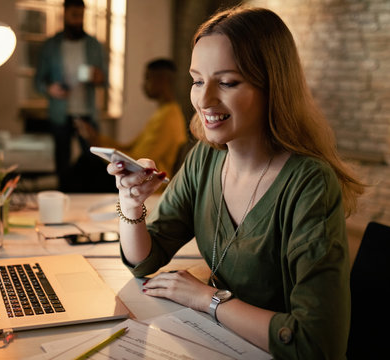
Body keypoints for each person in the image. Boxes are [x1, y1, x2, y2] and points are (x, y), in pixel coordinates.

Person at [107, 6, 364, 359]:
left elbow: (317, 343)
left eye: (227, 82)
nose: (204, 99)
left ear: (273, 85)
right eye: (197, 80)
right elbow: (145, 260)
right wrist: (132, 202)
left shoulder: (310, 185)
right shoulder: (205, 158)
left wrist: (206, 298)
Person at [69, 58, 188, 192]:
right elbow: (130, 148)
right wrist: (96, 139)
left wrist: (96, 141)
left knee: (86, 164)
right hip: (139, 177)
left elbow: (138, 162)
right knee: (87, 161)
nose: (143, 84)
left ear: (162, 80)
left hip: (146, 183)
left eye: (147, 78)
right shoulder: (163, 113)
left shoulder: (168, 118)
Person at [34, 0, 108, 191]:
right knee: (63, 165)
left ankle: (90, 200)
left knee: (94, 161)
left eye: (81, 15)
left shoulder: (94, 45)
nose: (78, 20)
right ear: (64, 14)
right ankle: (64, 199)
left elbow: (105, 80)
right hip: (60, 114)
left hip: (87, 113)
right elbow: (38, 81)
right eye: (74, 15)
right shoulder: (51, 45)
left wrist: (98, 77)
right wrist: (50, 89)